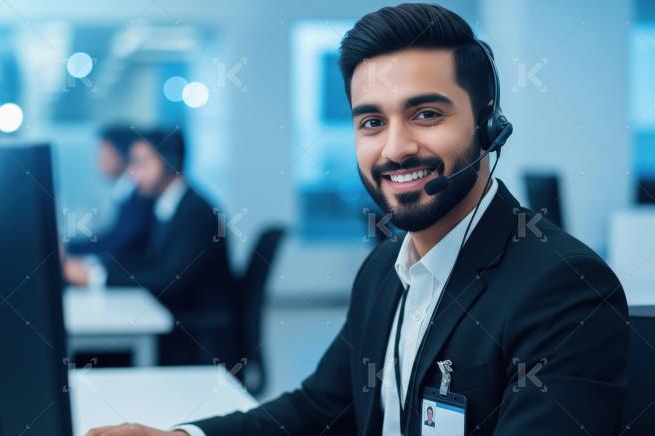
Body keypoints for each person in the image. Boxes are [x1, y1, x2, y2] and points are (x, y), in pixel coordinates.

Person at [86, 4, 628, 435]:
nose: (395, 148)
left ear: (489, 125)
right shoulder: (383, 270)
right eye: (372, 121)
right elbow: (322, 408)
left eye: (426, 114)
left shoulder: (565, 288)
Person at [66, 127, 236, 366]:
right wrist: (98, 271)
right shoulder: (168, 204)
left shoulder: (195, 213)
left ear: (169, 163)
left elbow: (168, 279)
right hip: (177, 321)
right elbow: (147, 259)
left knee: (97, 357)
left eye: (141, 163)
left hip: (195, 337)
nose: (133, 173)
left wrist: (96, 277)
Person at [66, 124, 154, 256]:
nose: (100, 161)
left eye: (106, 154)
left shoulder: (140, 194)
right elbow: (112, 239)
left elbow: (119, 245)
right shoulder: (124, 191)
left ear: (124, 155)